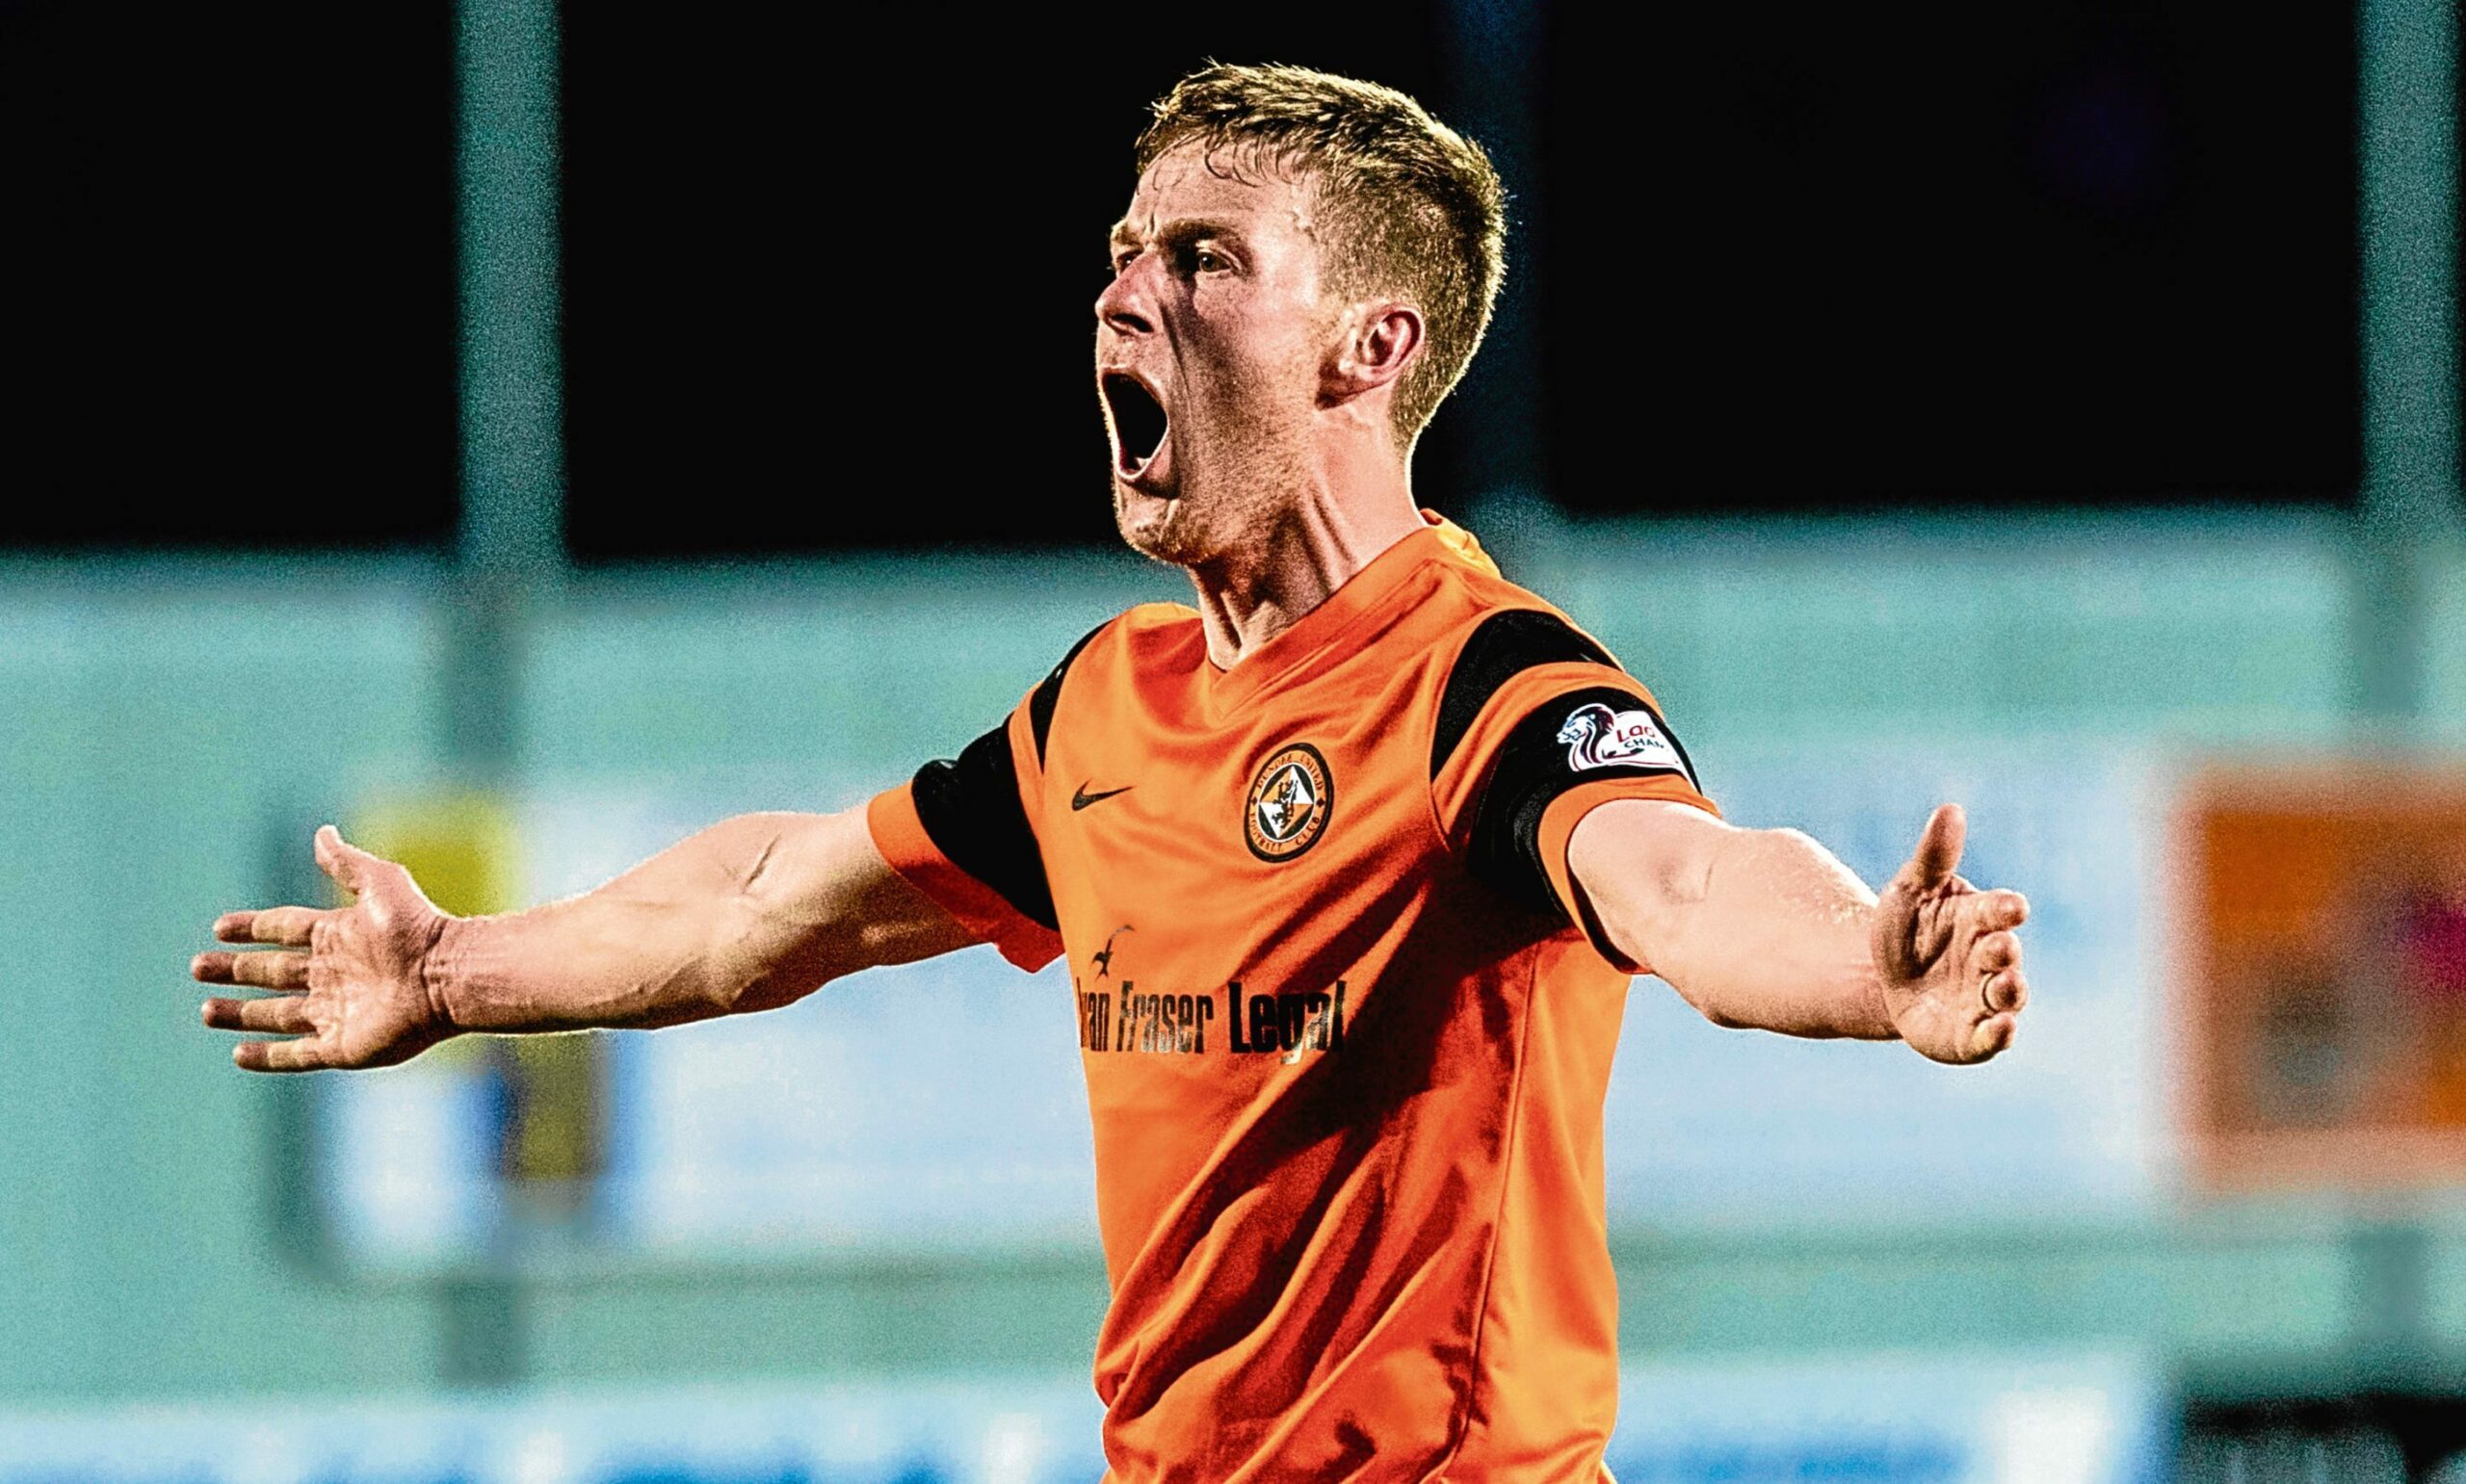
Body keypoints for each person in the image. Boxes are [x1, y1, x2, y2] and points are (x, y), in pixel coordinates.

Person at [191, 64, 2031, 1484]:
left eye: (1201, 258)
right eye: (1119, 256)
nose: (1119, 297)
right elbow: (773, 902)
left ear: (1367, 348)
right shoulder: (1105, 710)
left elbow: (1685, 883)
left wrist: (1871, 967)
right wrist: (450, 973)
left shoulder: (1486, 677)